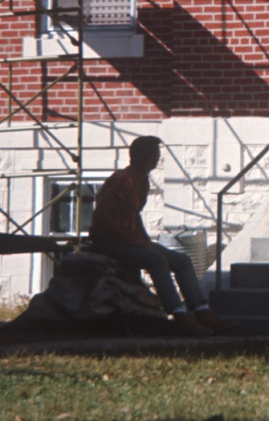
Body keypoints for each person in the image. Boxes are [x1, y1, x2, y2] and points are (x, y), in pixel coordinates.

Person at [89, 136, 235, 336]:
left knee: (181, 260)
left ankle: (202, 311)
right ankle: (179, 316)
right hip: (108, 242)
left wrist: (143, 239)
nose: (158, 158)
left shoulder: (142, 182)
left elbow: (134, 214)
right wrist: (129, 239)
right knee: (157, 260)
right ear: (146, 157)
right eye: (156, 154)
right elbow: (102, 214)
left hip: (131, 241)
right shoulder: (122, 180)